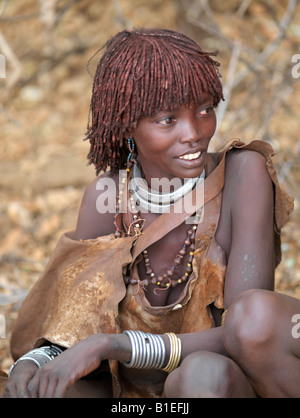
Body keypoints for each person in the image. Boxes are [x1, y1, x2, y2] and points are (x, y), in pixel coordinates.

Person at [2, 28, 296, 398]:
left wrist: (116, 345)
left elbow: (248, 334)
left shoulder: (243, 175)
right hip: (131, 394)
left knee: (201, 375)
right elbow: (71, 327)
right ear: (128, 125)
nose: (194, 133)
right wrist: (32, 363)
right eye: (167, 119)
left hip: (216, 384)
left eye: (205, 110)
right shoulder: (105, 198)